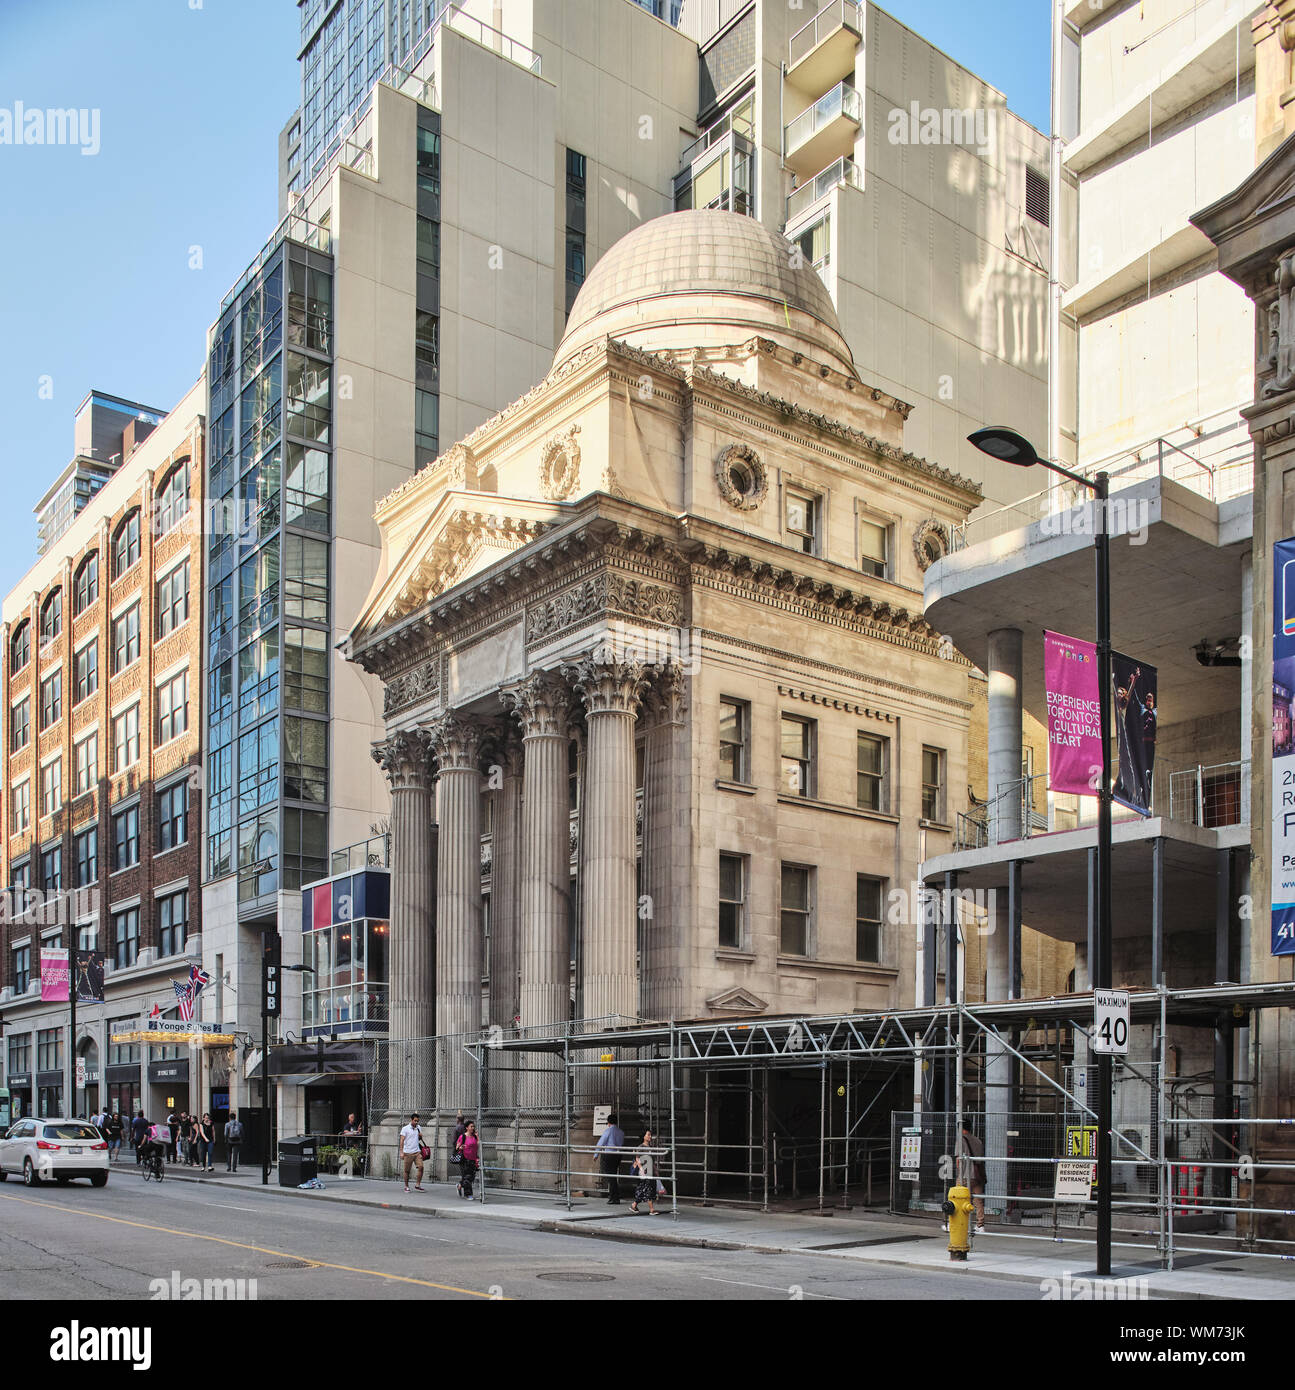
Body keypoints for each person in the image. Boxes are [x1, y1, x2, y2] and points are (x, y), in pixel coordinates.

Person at [958, 1119, 987, 1232]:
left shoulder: (961, 1140)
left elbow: (958, 1159)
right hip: (977, 1174)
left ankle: (956, 1223)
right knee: (978, 1200)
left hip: (965, 1174)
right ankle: (980, 1225)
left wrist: (959, 1173)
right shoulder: (978, 1140)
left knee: (957, 1197)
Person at [595, 1112, 625, 1204]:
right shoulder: (621, 1132)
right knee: (614, 1175)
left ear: (608, 1122)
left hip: (609, 1154)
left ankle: (613, 1197)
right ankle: (615, 1196)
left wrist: (596, 1154)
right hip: (618, 1155)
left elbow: (601, 1142)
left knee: (610, 1177)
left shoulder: (608, 1131)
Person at [629, 1130, 658, 1215]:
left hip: (650, 1171)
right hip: (644, 1172)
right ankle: (651, 1209)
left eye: (650, 1135)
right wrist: (641, 1169)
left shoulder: (651, 1147)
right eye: (648, 1135)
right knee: (648, 1189)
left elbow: (652, 1160)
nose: (650, 1137)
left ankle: (634, 1205)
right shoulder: (640, 1147)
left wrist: (655, 1170)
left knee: (644, 1189)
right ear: (644, 1137)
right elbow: (637, 1159)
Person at [399, 1112, 426, 1192]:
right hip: (408, 1152)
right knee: (407, 1171)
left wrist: (420, 1137)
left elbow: (418, 1139)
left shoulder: (418, 1127)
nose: (416, 1122)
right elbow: (402, 1140)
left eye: (417, 1121)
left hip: (417, 1152)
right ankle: (406, 1186)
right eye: (415, 1121)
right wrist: (401, 1152)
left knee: (421, 1167)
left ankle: (417, 1185)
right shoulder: (405, 1129)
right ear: (411, 1120)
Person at [458, 1120, 479, 1200]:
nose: (473, 1128)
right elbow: (457, 1147)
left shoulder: (474, 1136)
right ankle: (468, 1194)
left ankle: (460, 1185)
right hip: (465, 1159)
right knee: (467, 1177)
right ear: (467, 1128)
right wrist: (461, 1147)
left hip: (473, 1159)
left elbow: (478, 1146)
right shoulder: (463, 1136)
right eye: (471, 1126)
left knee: (472, 1177)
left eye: (473, 1126)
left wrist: (477, 1137)